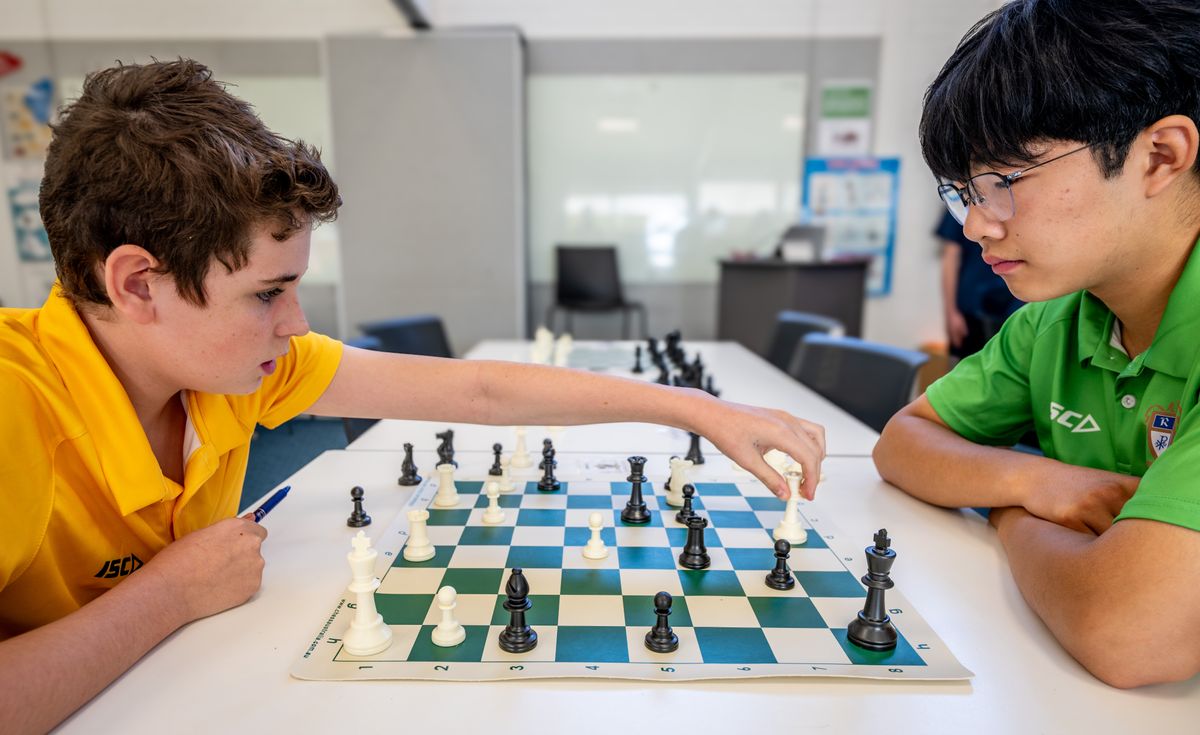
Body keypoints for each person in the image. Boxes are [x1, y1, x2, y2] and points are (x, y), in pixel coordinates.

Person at [0, 60, 826, 732]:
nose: (296, 323)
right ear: (137, 283)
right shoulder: (13, 406)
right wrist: (170, 592)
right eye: (267, 293)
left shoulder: (225, 369)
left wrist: (695, 407)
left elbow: (481, 388)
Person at [873, 0, 1200, 688]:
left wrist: (1009, 509)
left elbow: (1128, 634)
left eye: (1003, 181)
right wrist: (1039, 481)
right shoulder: (1056, 319)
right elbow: (903, 443)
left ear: (1160, 156)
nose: (975, 226)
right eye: (964, 191)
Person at [936, 210, 1022, 359]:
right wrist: (951, 313)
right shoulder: (961, 202)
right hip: (972, 311)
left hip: (1016, 309)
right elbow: (950, 255)